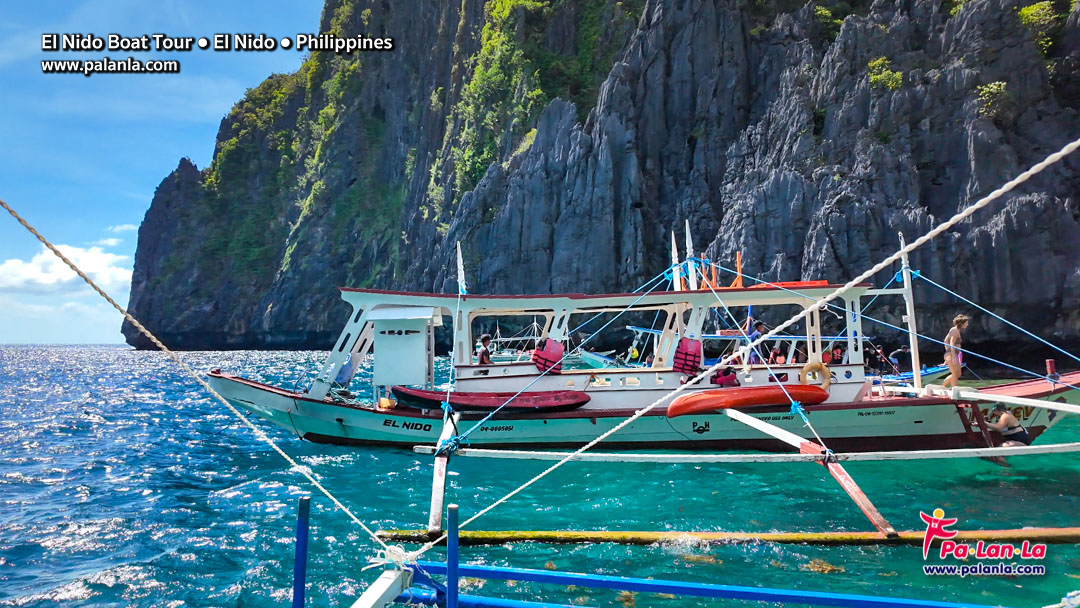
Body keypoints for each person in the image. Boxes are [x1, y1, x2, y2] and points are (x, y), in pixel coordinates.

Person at [942, 314, 969, 388]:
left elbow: (945, 341)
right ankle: (954, 389)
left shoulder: (954, 330)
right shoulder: (954, 330)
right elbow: (951, 343)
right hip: (952, 354)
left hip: (951, 354)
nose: (967, 324)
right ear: (961, 323)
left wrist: (947, 356)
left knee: (957, 374)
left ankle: (946, 387)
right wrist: (953, 356)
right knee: (955, 374)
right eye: (966, 323)